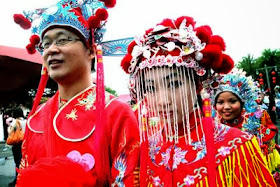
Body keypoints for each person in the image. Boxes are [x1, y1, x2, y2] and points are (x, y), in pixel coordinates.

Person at [120, 16, 276, 186]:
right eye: (150, 88)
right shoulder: (145, 150)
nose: (162, 100)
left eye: (174, 84)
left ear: (198, 85)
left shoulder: (237, 146)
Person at [13, 0, 140, 186]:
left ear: (90, 49)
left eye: (63, 40)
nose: (51, 50)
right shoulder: (36, 117)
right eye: (45, 44)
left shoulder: (116, 113)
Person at [212, 68, 280, 180]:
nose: (226, 107)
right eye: (220, 102)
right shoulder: (211, 130)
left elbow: (272, 168)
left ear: (242, 102)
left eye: (232, 101)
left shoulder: (258, 130)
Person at [6, 107, 26, 186]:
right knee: (24, 162)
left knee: (17, 163)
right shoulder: (26, 121)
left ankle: (17, 181)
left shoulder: (15, 122)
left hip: (17, 145)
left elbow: (10, 132)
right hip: (25, 144)